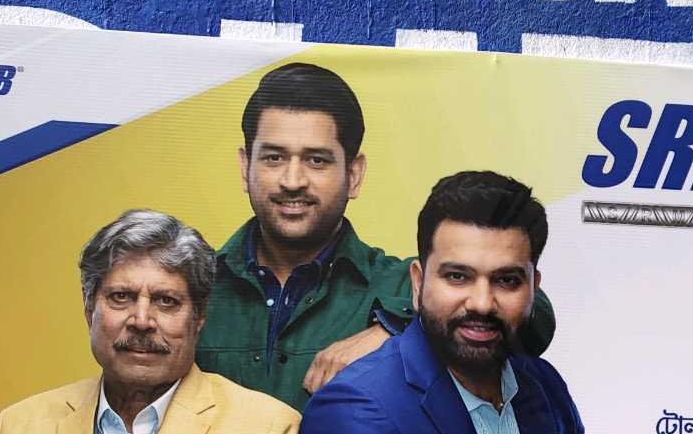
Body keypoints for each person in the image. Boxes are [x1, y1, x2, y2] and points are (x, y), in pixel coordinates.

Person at [199, 60, 555, 409]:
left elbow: (535, 313)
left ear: (354, 175)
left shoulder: (405, 285)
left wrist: (397, 331)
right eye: (274, 158)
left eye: (317, 160)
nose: (292, 181)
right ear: (245, 167)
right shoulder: (194, 287)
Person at [299, 171, 609, 434]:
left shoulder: (544, 385)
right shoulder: (357, 411)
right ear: (418, 283)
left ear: (533, 288)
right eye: (458, 277)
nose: (482, 303)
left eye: (507, 280)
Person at [0, 209, 304, 434]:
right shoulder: (17, 430)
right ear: (89, 308)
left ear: (199, 316)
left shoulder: (267, 432)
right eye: (121, 297)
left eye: (166, 301)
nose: (142, 321)